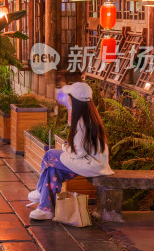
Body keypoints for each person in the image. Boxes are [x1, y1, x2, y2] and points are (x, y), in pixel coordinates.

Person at [28, 82, 114, 220]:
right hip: (93, 163)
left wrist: (64, 147)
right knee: (52, 171)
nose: (68, 101)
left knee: (50, 155)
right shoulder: (89, 117)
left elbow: (77, 152)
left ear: (76, 102)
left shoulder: (82, 122)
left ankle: (41, 193)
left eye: (70, 99)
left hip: (89, 164)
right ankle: (46, 208)